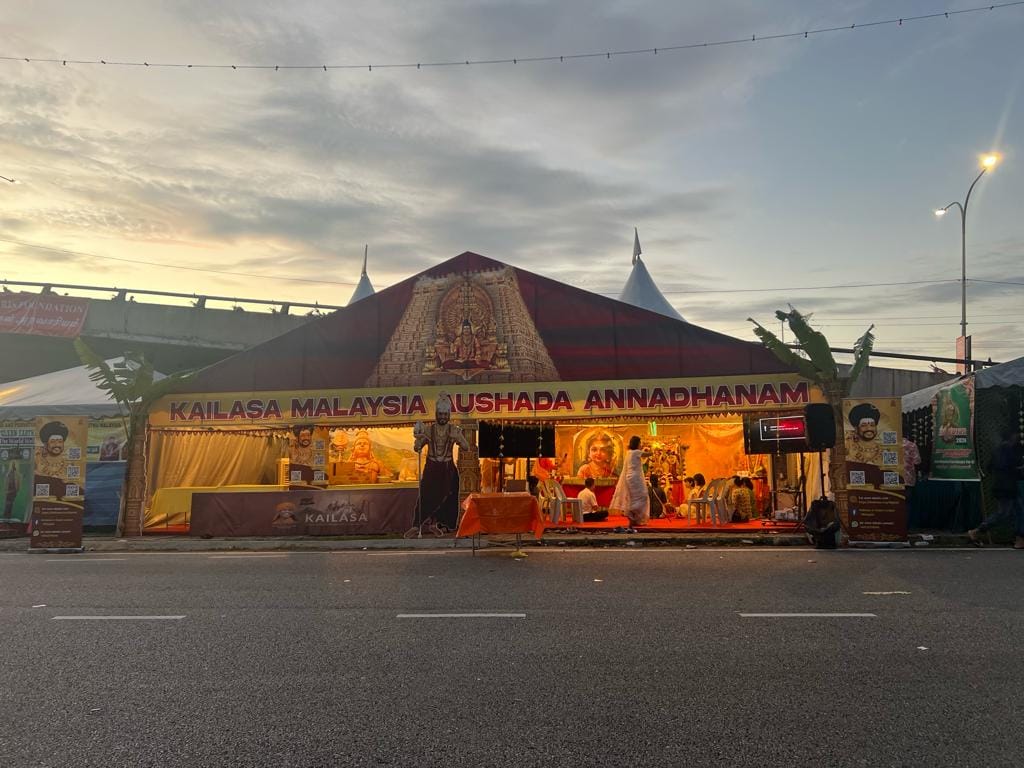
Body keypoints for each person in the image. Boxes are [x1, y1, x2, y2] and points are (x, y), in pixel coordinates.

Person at [413, 393, 470, 533]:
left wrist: (459, 438)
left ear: (449, 415)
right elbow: (417, 448)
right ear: (436, 414)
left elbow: (466, 447)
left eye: (445, 414)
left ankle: (440, 524)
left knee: (448, 496)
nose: (443, 417)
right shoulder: (428, 430)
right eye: (440, 414)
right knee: (426, 495)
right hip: (432, 467)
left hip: (447, 467)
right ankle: (418, 525)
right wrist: (418, 440)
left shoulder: (454, 429)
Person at [968, 428, 1024, 549]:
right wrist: (1018, 468)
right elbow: (1007, 466)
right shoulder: (1006, 449)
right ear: (1012, 436)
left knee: (1018, 512)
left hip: (1005, 486)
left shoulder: (1001, 449)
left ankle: (1020, 538)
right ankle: (977, 531)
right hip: (1007, 487)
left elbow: (990, 467)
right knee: (1004, 513)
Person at [609, 435, 649, 529]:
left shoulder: (629, 452)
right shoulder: (636, 452)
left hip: (630, 477)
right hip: (636, 478)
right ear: (637, 443)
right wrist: (649, 449)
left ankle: (635, 519)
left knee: (634, 498)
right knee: (643, 496)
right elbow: (648, 454)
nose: (641, 444)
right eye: (640, 443)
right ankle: (631, 511)